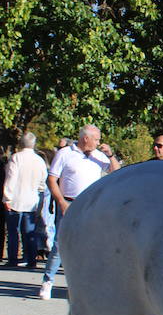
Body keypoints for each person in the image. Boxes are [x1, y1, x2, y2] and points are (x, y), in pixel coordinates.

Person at [39, 125, 119, 299]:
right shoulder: (65, 153)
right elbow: (51, 179)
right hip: (69, 202)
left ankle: (83, 284)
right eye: (96, 139)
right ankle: (48, 281)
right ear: (85, 138)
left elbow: (117, 173)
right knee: (60, 244)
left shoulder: (99, 156)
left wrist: (110, 155)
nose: (98, 142)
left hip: (91, 204)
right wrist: (61, 202)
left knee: (89, 245)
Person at [3, 132, 48, 268]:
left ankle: (12, 259)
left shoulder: (16, 158)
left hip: (16, 200)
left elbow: (11, 178)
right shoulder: (39, 160)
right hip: (32, 200)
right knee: (29, 232)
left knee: (13, 232)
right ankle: (31, 259)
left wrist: (7, 198)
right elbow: (43, 181)